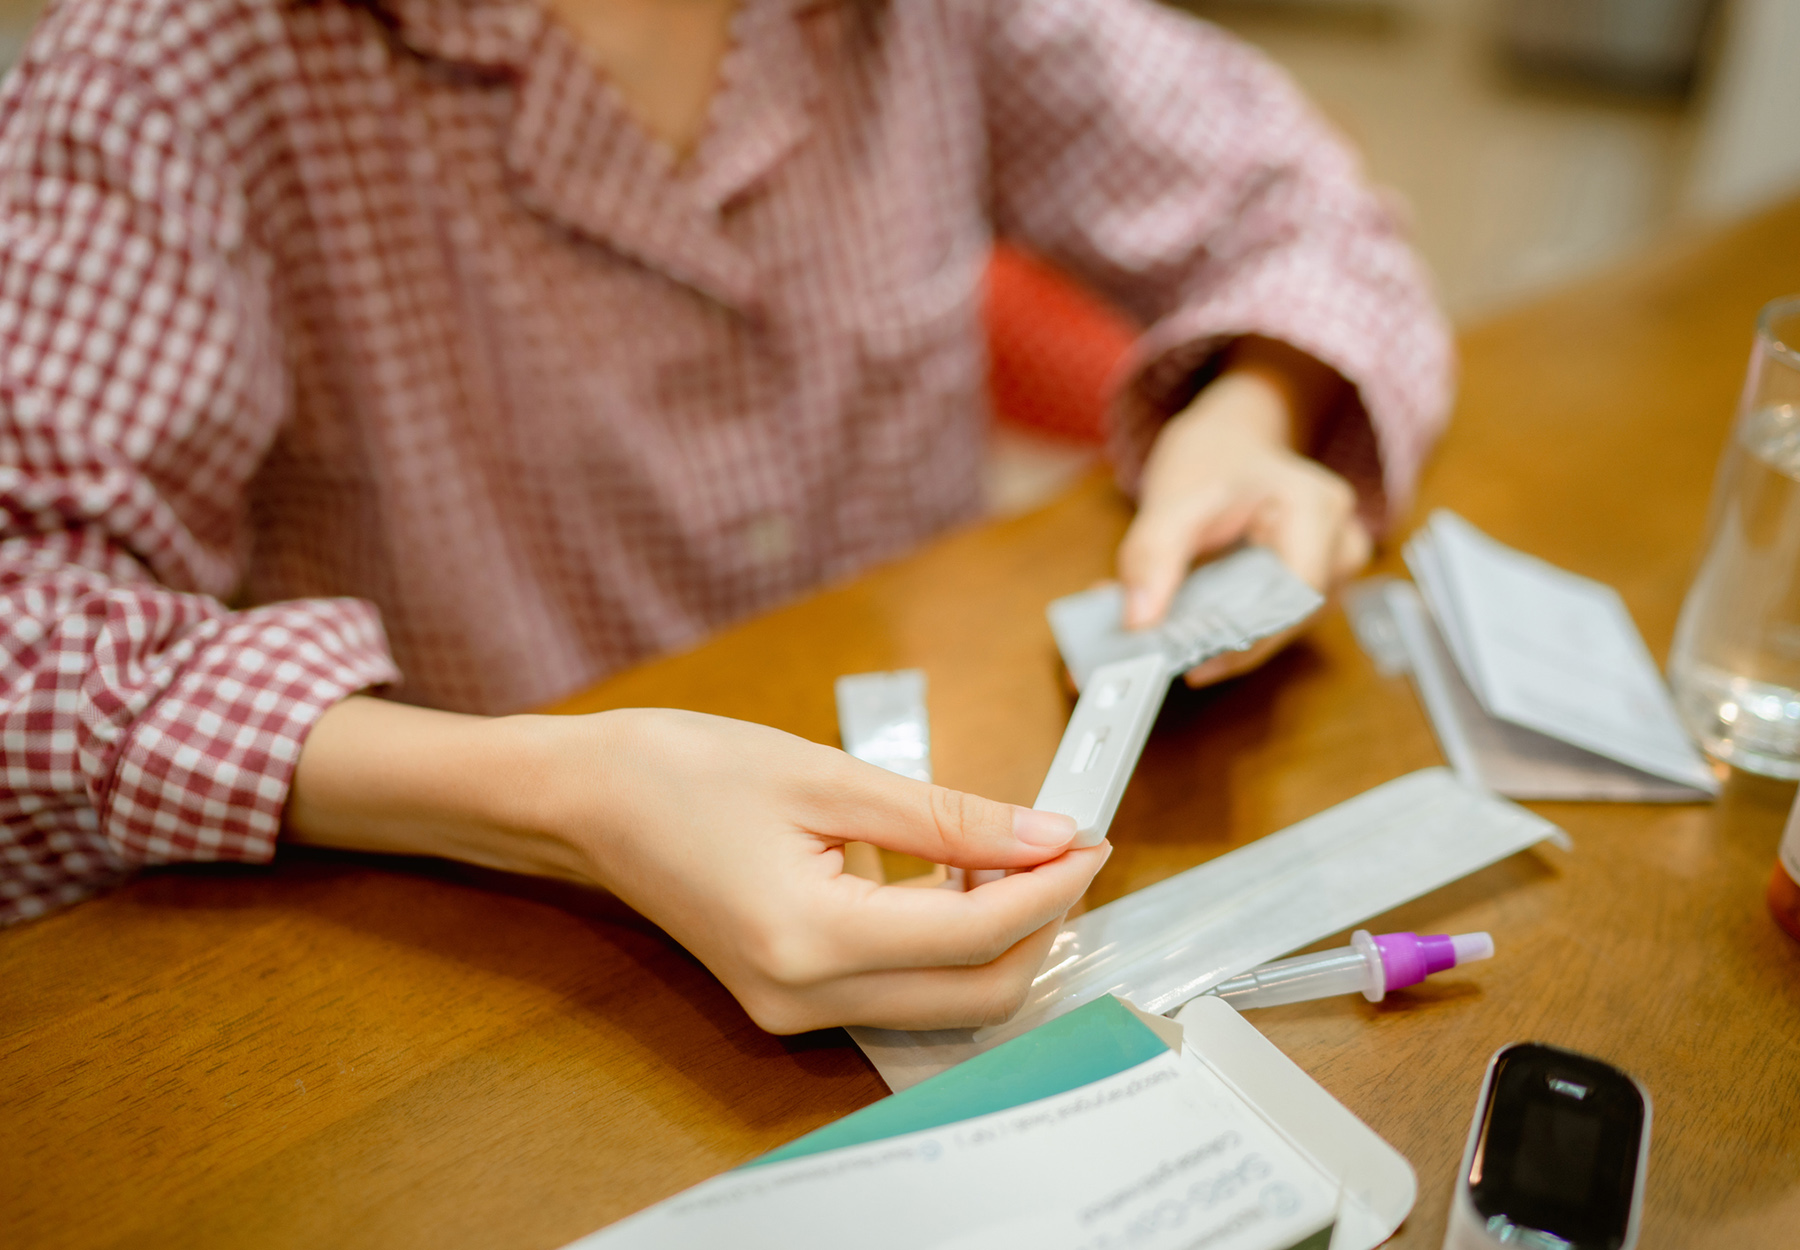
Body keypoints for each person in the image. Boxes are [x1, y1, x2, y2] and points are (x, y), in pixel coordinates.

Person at [0, 0, 1451, 1032]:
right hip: (490, 971)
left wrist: (1248, 412)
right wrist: (561, 794)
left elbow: (1307, 207)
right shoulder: (165, 69)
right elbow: (30, 639)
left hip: (951, 848)